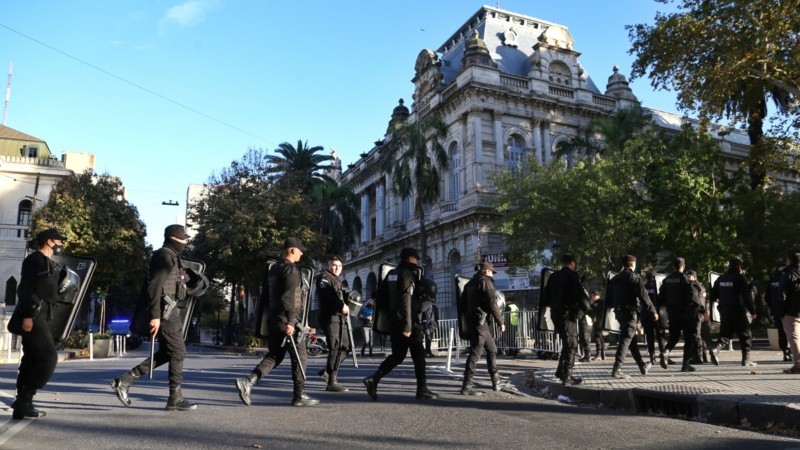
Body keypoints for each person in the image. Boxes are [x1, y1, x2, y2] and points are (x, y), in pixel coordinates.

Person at [111, 224, 197, 411]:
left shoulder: (172, 257)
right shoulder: (164, 256)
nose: (185, 243)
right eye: (183, 239)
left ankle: (124, 381)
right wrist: (156, 316)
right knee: (179, 353)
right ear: (174, 239)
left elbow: (175, 284)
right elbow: (154, 287)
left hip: (170, 310)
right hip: (165, 312)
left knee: (168, 353)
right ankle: (175, 397)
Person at [234, 237, 318, 407]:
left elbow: (268, 296)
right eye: (300, 250)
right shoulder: (291, 270)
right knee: (300, 357)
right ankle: (299, 395)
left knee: (275, 355)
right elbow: (289, 299)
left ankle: (248, 382)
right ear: (293, 250)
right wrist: (292, 322)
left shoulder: (274, 269)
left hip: (274, 319)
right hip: (286, 320)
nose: (301, 253)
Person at [363, 247, 439, 400]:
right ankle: (422, 389)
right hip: (408, 321)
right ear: (410, 259)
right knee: (419, 357)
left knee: (398, 356)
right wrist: (408, 326)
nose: (417, 261)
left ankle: (374, 379)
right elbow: (406, 299)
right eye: (416, 259)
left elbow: (381, 295)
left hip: (394, 322)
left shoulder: (391, 274)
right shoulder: (407, 274)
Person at [11, 228, 67, 420]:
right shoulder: (34, 260)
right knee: (49, 357)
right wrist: (28, 315)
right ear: (50, 241)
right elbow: (25, 289)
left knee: (31, 359)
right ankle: (25, 398)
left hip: (44, 314)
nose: (62, 245)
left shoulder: (50, 264)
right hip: (33, 314)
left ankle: (22, 406)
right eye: (60, 241)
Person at [608, 254, 658, 379]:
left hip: (619, 313)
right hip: (630, 313)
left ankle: (642, 366)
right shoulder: (634, 277)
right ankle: (616, 369)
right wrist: (653, 311)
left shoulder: (615, 279)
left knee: (631, 340)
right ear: (632, 264)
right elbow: (644, 296)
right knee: (626, 340)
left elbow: (609, 298)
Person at [460, 262, 505, 395]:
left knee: (492, 349)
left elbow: (462, 305)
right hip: (481, 323)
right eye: (491, 272)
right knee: (475, 352)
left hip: (473, 322)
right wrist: (500, 322)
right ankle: (466, 386)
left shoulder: (469, 284)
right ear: (486, 271)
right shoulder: (487, 283)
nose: (492, 274)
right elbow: (493, 304)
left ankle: (496, 382)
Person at [544, 254, 590, 386]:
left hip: (555, 314)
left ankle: (560, 371)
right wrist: (587, 309)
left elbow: (546, 297)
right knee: (572, 344)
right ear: (572, 263)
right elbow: (581, 295)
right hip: (567, 315)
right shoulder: (572, 276)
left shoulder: (553, 276)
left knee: (566, 343)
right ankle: (567, 377)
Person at [709, 258, 758, 366]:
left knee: (725, 334)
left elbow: (712, 295)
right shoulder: (739, 278)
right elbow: (747, 297)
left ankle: (716, 350)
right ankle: (746, 360)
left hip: (724, 310)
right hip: (737, 310)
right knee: (746, 335)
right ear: (739, 267)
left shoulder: (721, 278)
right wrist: (752, 311)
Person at [316, 255, 351, 392]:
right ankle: (331, 381)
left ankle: (326, 371)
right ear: (328, 265)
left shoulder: (337, 280)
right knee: (335, 348)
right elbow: (327, 297)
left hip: (339, 318)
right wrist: (341, 305)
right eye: (334, 265)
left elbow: (342, 295)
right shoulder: (324, 278)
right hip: (330, 317)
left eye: (339, 266)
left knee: (345, 347)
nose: (336, 268)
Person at [659, 257, 699, 372]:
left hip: (672, 313)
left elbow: (660, 297)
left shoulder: (667, 280)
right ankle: (685, 365)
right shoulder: (685, 279)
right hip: (685, 313)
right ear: (683, 266)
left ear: (673, 266)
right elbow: (692, 295)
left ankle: (666, 351)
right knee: (689, 338)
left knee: (674, 336)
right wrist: (699, 309)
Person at [767, 261, 792, 362]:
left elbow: (767, 297)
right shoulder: (788, 276)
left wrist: (772, 308)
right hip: (790, 310)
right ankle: (791, 352)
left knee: (782, 332)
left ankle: (785, 352)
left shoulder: (773, 279)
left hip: (777, 310)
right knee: (793, 332)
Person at [641, 272, 668, 368]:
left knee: (649, 337)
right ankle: (663, 355)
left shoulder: (643, 288)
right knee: (660, 335)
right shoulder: (657, 288)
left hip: (646, 315)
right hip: (657, 314)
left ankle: (652, 358)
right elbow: (662, 300)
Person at [779, 251, 800, 374]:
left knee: (794, 338)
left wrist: (780, 312)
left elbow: (782, 295)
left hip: (791, 311)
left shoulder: (787, 273)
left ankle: (798, 365)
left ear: (789, 261)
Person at [685, 270, 710, 363]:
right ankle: (704, 356)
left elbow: (696, 301)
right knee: (702, 335)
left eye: (689, 276)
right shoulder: (702, 286)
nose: (687, 278)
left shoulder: (694, 286)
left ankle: (698, 357)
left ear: (695, 277)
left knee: (696, 335)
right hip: (702, 313)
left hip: (696, 313)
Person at [578, 290, 600, 362]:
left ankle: (587, 356)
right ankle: (586, 355)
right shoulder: (588, 301)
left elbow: (588, 311)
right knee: (584, 339)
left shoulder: (585, 301)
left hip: (585, 322)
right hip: (586, 322)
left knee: (585, 339)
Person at [589, 291, 606, 360]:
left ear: (597, 295)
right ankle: (602, 353)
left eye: (593, 296)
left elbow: (595, 311)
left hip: (599, 322)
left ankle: (599, 353)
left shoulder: (599, 302)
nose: (592, 297)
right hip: (598, 322)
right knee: (600, 337)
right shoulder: (597, 303)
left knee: (597, 337)